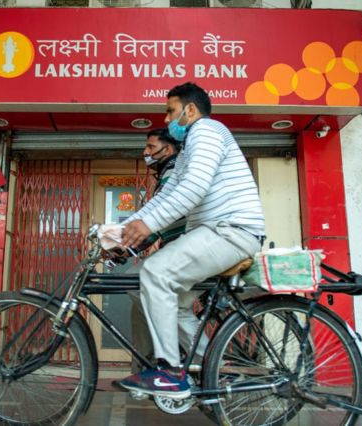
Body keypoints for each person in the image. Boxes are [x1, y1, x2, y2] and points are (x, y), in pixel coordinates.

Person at [117, 82, 265, 399]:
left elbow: (194, 188)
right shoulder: (187, 151)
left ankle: (170, 373)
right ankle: (215, 370)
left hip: (231, 231)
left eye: (171, 111)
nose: (168, 119)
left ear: (190, 109)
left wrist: (148, 226)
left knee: (155, 272)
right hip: (215, 232)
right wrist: (119, 231)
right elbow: (167, 196)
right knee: (178, 304)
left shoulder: (207, 131)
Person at [128, 128, 189, 374]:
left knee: (135, 284)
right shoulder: (168, 174)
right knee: (138, 302)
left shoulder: (175, 172)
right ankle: (144, 369)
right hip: (175, 249)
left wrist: (136, 240)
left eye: (151, 147)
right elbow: (153, 214)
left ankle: (177, 359)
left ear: (170, 148)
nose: (146, 152)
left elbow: (169, 214)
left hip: (188, 251)